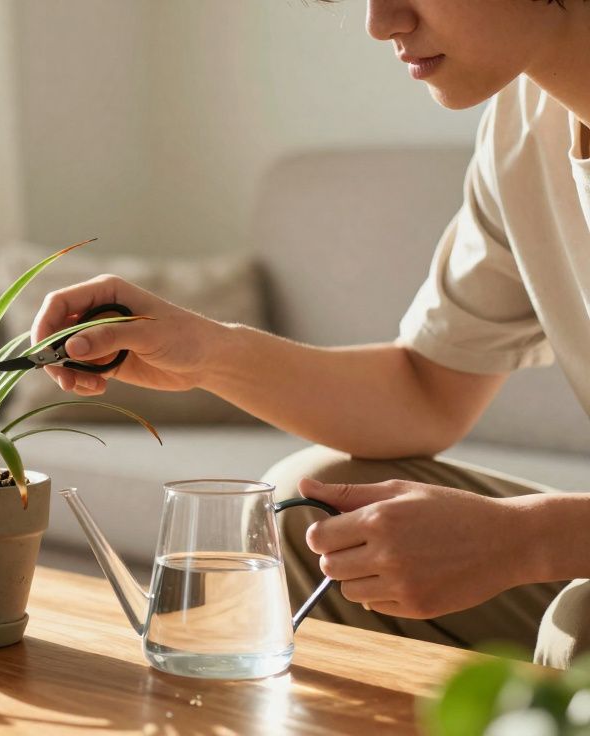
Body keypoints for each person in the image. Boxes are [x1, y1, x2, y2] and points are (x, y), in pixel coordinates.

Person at [30, 0, 590, 668]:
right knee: (317, 511)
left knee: (578, 617)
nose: (380, 23)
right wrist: (208, 352)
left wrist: (524, 542)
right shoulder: (523, 130)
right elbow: (426, 391)